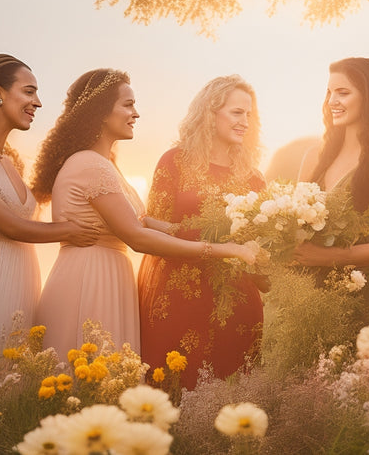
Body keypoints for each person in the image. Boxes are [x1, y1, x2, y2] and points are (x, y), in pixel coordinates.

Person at [30, 69, 256, 358]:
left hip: (109, 273)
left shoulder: (105, 164)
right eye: (127, 105)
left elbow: (140, 222)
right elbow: (137, 237)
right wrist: (223, 249)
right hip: (91, 278)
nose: (136, 113)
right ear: (100, 112)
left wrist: (207, 227)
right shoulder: (90, 164)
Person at [138, 75, 267, 390]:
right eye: (237, 112)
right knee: (170, 390)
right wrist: (217, 239)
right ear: (211, 113)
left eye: (249, 114)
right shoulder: (175, 162)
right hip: (177, 295)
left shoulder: (253, 178)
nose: (245, 121)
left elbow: (262, 243)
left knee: (230, 394)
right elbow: (150, 224)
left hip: (235, 302)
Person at [293, 57, 369, 326]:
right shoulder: (314, 155)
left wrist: (330, 258)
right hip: (307, 299)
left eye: (343, 92)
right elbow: (293, 226)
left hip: (364, 299)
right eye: (329, 93)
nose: (332, 101)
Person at [0, 54, 98, 356]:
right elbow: (10, 225)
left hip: (22, 283)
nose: (38, 102)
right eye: (29, 91)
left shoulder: (10, 162)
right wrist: (70, 230)